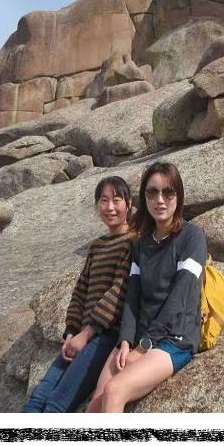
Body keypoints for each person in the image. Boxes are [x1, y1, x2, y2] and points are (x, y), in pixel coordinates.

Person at [87, 161, 207, 413]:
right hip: (138, 337)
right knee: (94, 408)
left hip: (174, 339)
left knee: (114, 391)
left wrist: (144, 346)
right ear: (144, 197)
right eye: (152, 192)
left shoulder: (192, 237)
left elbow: (181, 295)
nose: (160, 200)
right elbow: (132, 297)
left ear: (179, 196)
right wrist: (125, 342)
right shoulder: (142, 245)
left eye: (168, 192)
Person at [22, 176, 134, 413]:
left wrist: (86, 333)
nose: (110, 207)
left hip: (104, 335)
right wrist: (71, 331)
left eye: (116, 200)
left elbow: (119, 290)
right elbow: (81, 288)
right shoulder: (97, 245)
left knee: (56, 405)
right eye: (103, 201)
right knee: (37, 398)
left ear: (129, 204)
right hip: (80, 335)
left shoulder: (133, 242)